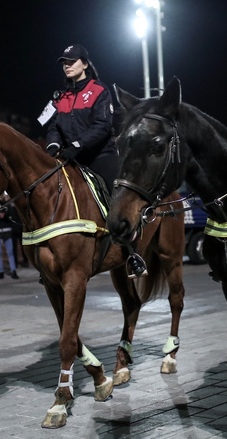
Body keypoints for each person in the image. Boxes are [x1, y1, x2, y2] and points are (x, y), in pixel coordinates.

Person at [43, 43, 146, 279]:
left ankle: (133, 254)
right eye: (64, 63)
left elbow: (102, 127)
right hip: (70, 159)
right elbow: (53, 127)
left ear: (85, 64)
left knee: (117, 198)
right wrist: (53, 145)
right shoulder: (61, 97)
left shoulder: (100, 91)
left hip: (100, 157)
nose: (67, 66)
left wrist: (77, 146)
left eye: (72, 61)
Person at [0, 207, 19, 280]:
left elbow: (12, 217)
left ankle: (13, 270)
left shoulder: (6, 205)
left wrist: (5, 215)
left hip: (6, 231)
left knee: (10, 252)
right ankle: (1, 271)